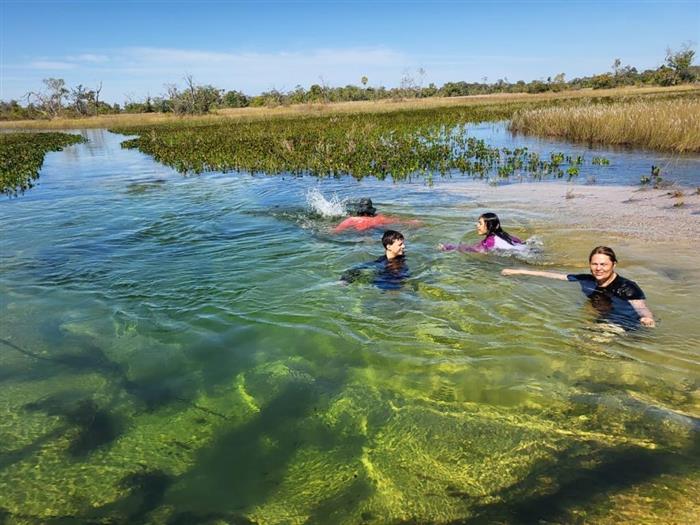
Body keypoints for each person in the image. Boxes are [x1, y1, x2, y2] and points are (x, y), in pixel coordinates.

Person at [501, 246, 656, 328]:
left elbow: (641, 307)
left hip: (624, 323)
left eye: (603, 264)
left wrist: (647, 318)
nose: (598, 268)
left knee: (588, 343)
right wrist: (517, 271)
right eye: (594, 264)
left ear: (614, 264)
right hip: (603, 317)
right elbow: (553, 275)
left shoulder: (627, 287)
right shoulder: (587, 280)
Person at [340, 230, 409, 290]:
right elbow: (354, 270)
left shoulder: (400, 257)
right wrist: (344, 280)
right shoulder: (381, 262)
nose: (403, 246)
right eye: (400, 244)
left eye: (403, 244)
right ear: (389, 247)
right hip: (386, 284)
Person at [439, 212, 525, 253]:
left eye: (480, 223)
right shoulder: (506, 235)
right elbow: (521, 242)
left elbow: (472, 249)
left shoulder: (489, 241)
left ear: (490, 226)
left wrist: (449, 247)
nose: (477, 225)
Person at [332, 198, 418, 233]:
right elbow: (398, 221)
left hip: (357, 235)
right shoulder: (379, 218)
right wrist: (412, 222)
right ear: (371, 210)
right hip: (375, 232)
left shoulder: (352, 219)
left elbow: (336, 231)